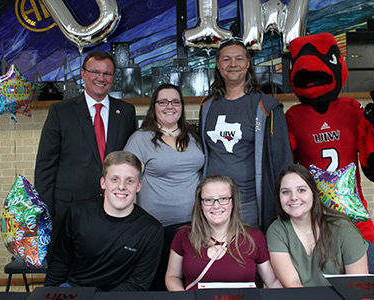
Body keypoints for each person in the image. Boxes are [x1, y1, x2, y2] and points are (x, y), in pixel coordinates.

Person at [34, 51, 136, 242]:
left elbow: (130, 161)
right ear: (83, 74)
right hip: (69, 210)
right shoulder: (60, 111)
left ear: (113, 77)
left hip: (114, 206)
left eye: (107, 74)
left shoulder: (126, 112)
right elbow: (45, 165)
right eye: (95, 72)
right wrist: (45, 210)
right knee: (68, 267)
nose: (101, 78)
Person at [198, 39, 293, 231]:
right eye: (226, 59)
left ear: (248, 63)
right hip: (213, 203)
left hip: (250, 203)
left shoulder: (266, 107)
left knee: (248, 256)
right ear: (218, 65)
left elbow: (282, 159)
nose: (233, 64)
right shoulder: (207, 106)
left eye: (239, 59)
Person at [44, 151, 164, 291]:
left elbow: (137, 283)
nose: (121, 186)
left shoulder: (151, 229)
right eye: (114, 179)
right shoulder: (78, 213)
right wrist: (48, 293)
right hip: (76, 291)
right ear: (103, 183)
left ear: (138, 186)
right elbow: (60, 261)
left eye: (130, 181)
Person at [124, 83, 204, 290]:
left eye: (175, 101)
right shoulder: (140, 139)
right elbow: (128, 183)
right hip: (158, 229)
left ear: (181, 106)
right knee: (161, 286)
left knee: (191, 284)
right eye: (163, 101)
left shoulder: (193, 137)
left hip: (194, 227)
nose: (170, 106)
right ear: (154, 106)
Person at [165, 175, 282, 291]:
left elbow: (272, 282)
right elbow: (172, 276)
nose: (216, 206)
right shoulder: (184, 235)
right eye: (208, 200)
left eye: (223, 199)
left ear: (233, 202)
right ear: (200, 204)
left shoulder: (254, 237)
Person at [266, 164, 369, 287]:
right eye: (285, 192)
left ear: (314, 194)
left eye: (301, 190)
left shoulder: (343, 228)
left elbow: (358, 287)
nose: (293, 197)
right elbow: (293, 285)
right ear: (279, 197)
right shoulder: (276, 231)